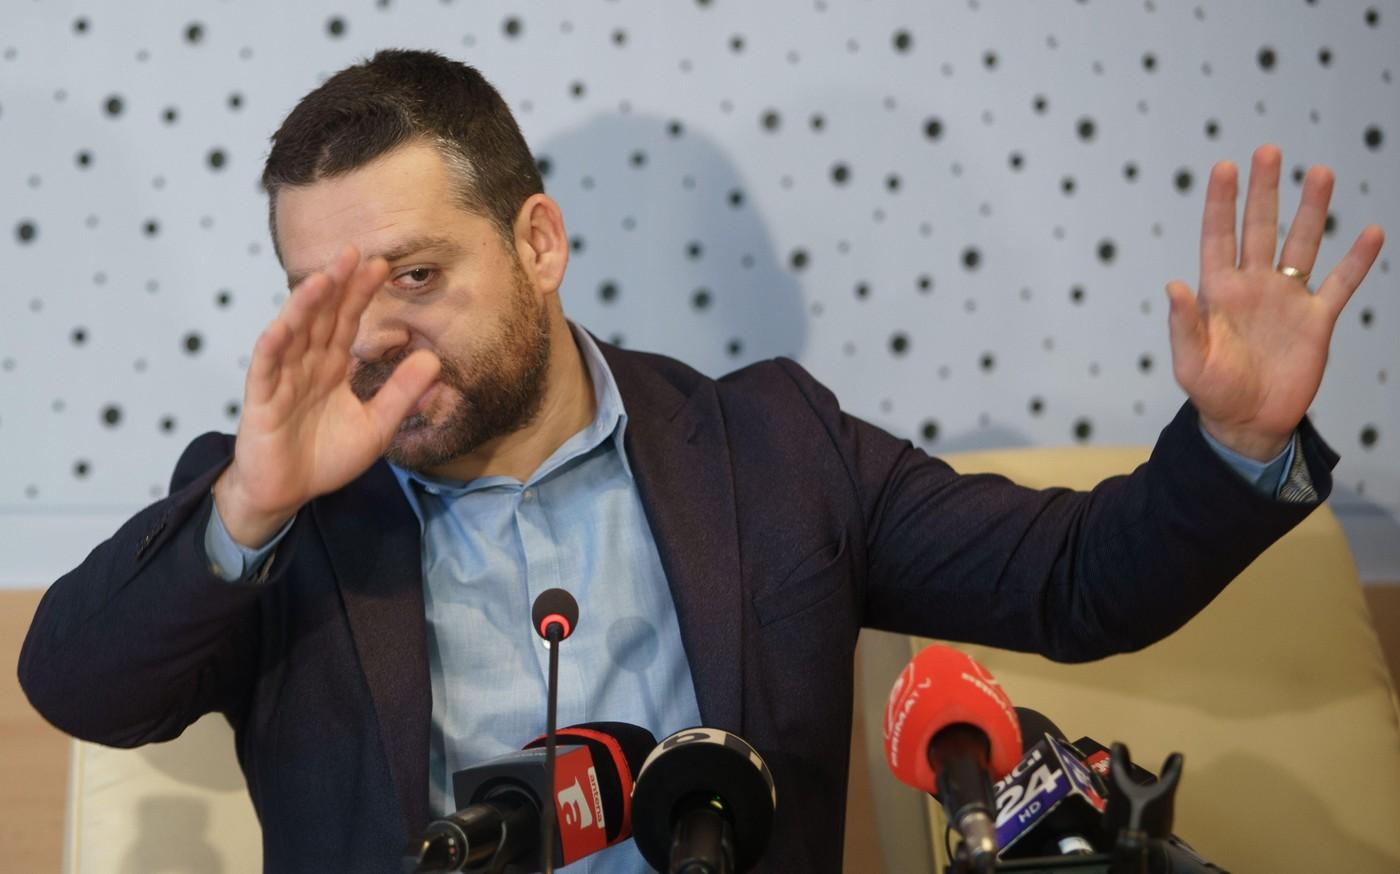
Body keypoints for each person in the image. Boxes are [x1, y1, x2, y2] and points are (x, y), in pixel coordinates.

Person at [18, 48, 1384, 873]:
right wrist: (254, 503)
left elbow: (1079, 583)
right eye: (328, 297)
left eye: (415, 275)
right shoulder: (271, 500)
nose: (372, 335)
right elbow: (80, 687)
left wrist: (1238, 438)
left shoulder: (772, 448)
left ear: (538, 243)